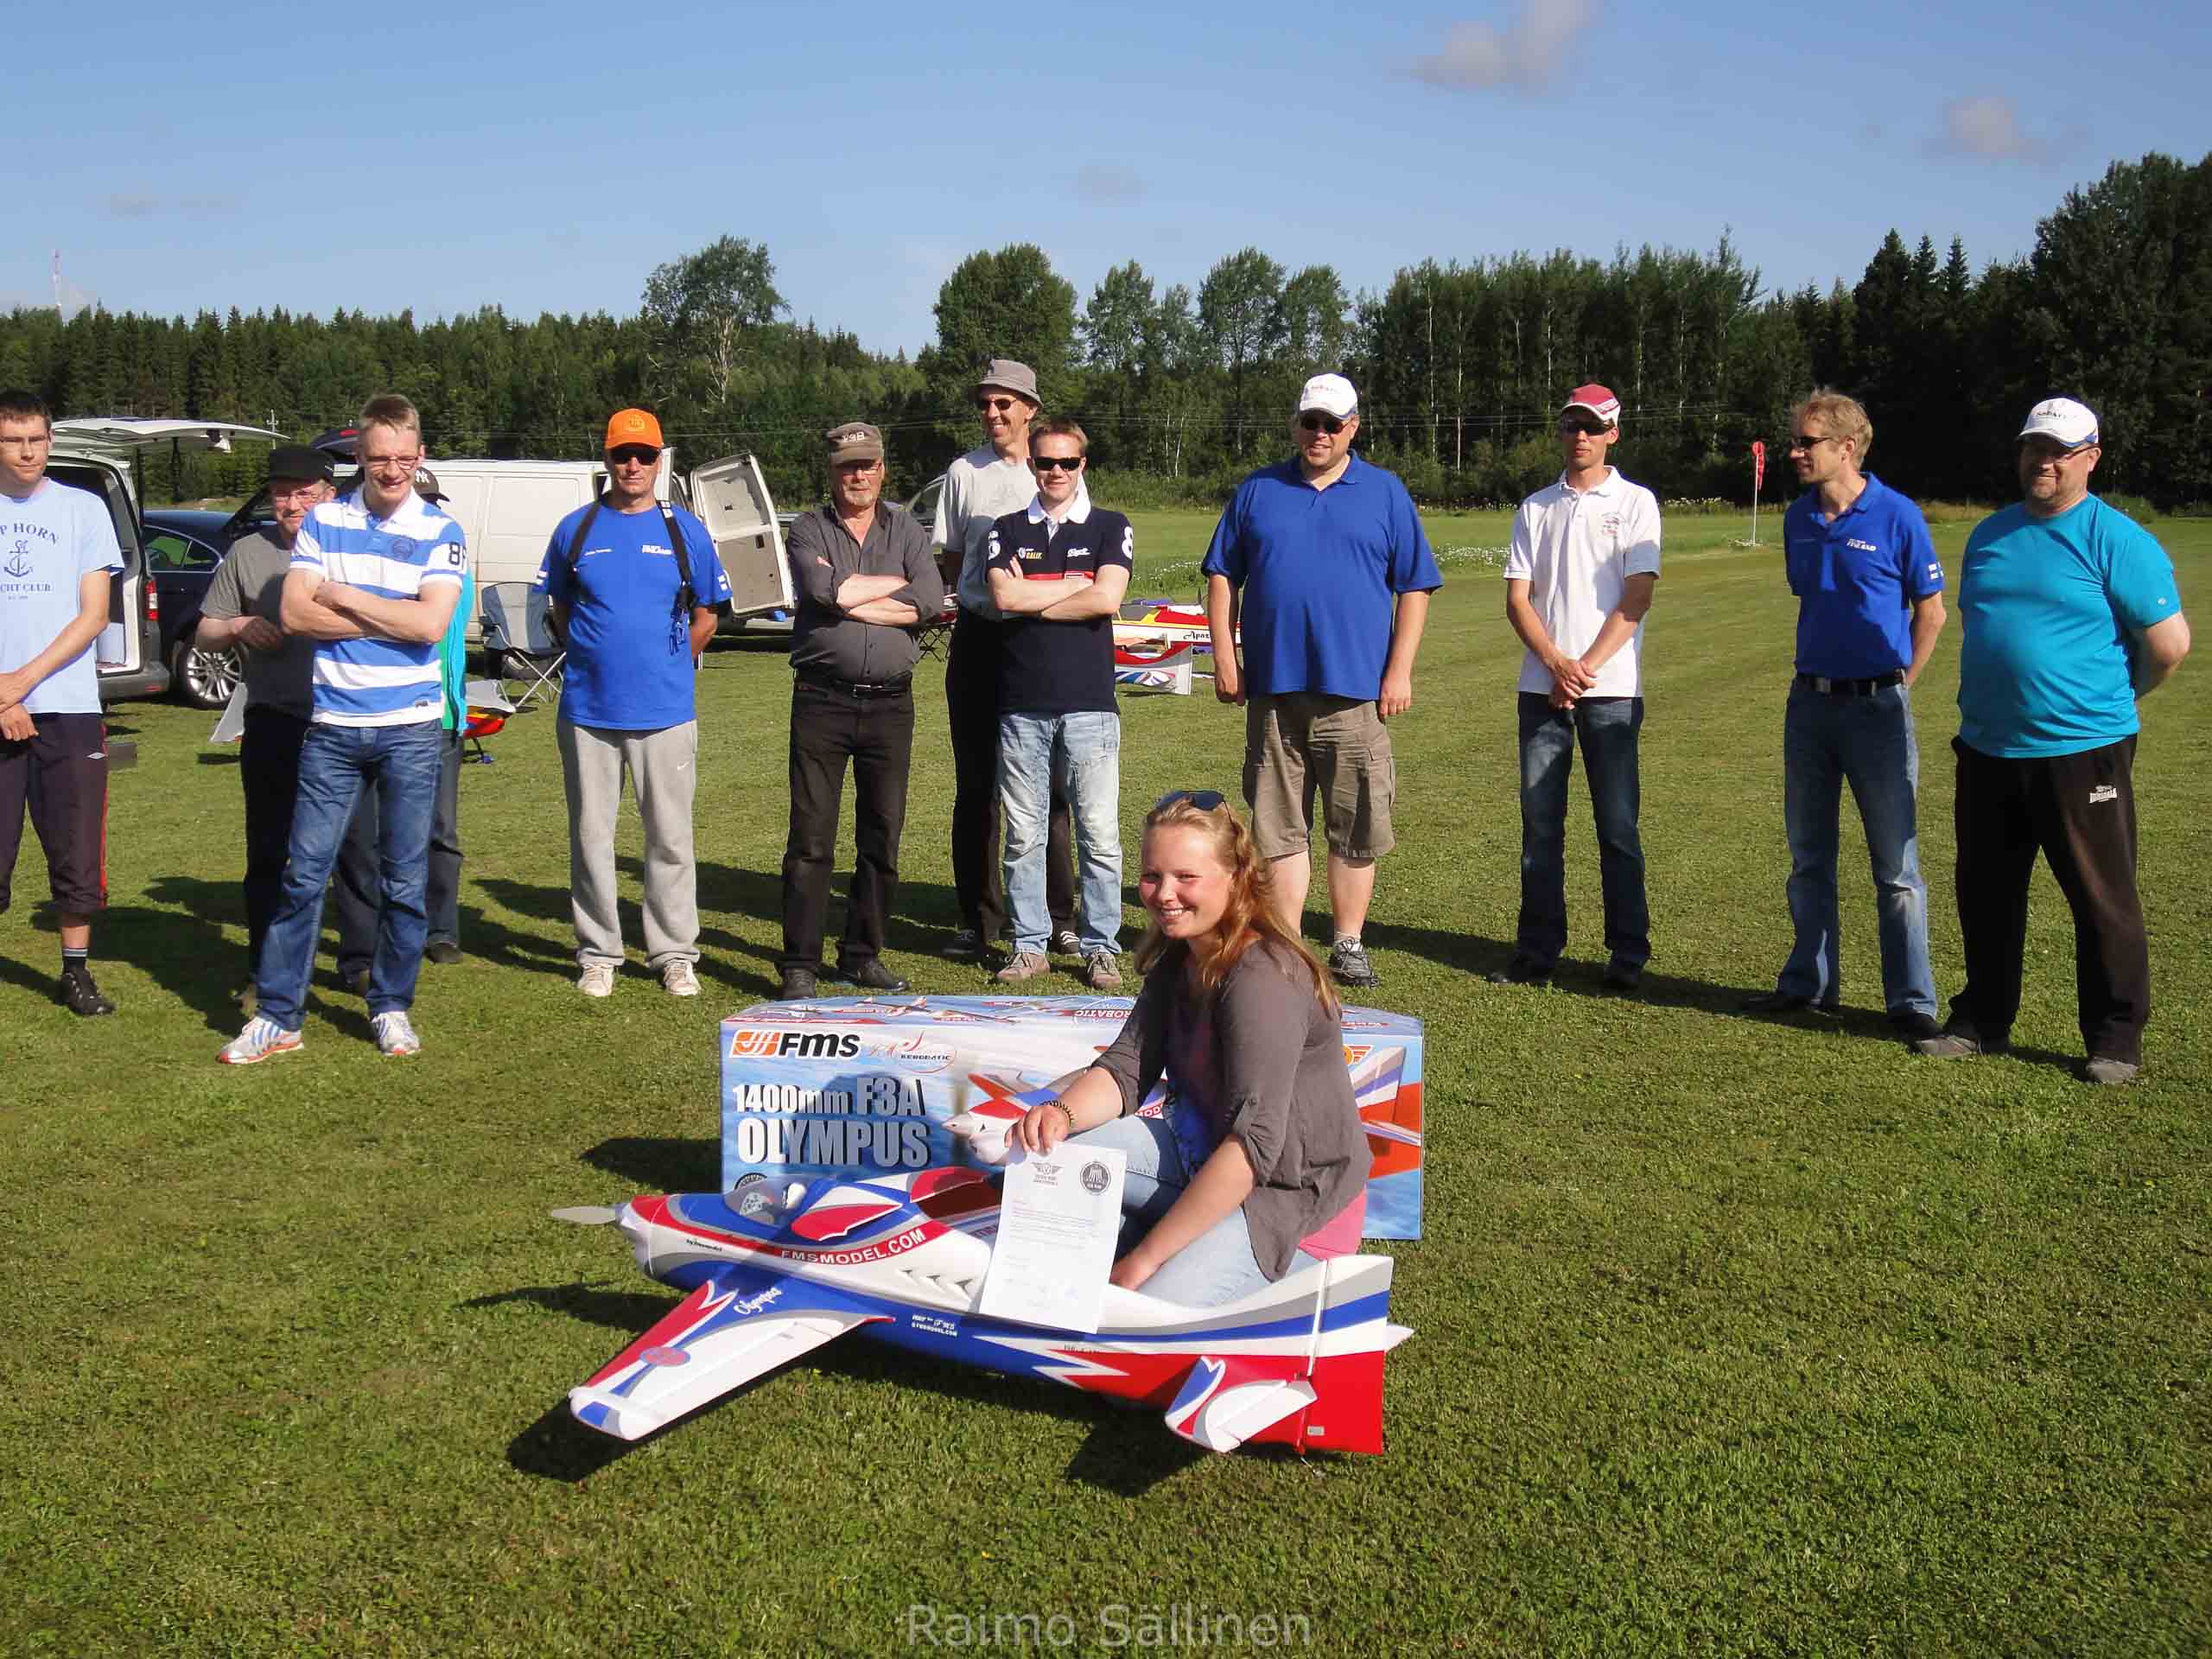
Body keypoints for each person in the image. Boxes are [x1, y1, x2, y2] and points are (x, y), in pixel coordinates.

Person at [1915, 397, 2190, 1084]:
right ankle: (1982, 1021)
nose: (2044, 461)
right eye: (2034, 448)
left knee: (2101, 897)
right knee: (1986, 893)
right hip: (1988, 748)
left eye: (2060, 452)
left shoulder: (2118, 539)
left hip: (2082, 751)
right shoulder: (1990, 535)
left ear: (2090, 458)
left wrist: (2111, 702)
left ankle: (2115, 1037)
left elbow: (2169, 646)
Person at [1005, 791, 1369, 1306]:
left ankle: (1148, 1243)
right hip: (1204, 1156)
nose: (1164, 894)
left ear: (1236, 878)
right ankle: (1132, 1235)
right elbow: (1128, 1065)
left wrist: (1145, 1260)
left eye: (1186, 877)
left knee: (1136, 1318)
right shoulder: (1182, 954)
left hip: (1288, 1201)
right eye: (1152, 876)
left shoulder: (1263, 977)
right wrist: (1058, 1114)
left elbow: (1254, 1146)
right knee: (1043, 1155)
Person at [219, 394, 466, 1063]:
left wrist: (346, 596)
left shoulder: (442, 529)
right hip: (332, 727)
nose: (392, 470)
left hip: (410, 728)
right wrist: (391, 613)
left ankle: (391, 1007)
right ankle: (279, 1017)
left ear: (420, 455)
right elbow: (295, 615)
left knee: (403, 881)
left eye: (404, 458)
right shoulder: (324, 521)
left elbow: (430, 625)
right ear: (359, 456)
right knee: (303, 876)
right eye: (379, 458)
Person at [1201, 372, 1442, 989]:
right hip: (1274, 691)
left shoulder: (1385, 493)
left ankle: (1348, 942)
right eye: (1310, 422)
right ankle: (1286, 948)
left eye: (1332, 424)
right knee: (1278, 826)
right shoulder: (1259, 490)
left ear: (1353, 427)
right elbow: (1223, 575)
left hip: (1355, 691)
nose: (1320, 433)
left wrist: (1399, 670)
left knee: (1355, 824)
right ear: (1296, 424)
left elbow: (1415, 586)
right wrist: (1225, 656)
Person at [1742, 390, 1946, 1040]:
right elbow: (1811, 595)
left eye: (1807, 442)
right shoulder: (1798, 519)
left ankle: (1911, 1001)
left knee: (1896, 867)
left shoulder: (1898, 515)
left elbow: (1932, 612)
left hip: (1877, 708)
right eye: (1794, 442)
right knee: (1808, 857)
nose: (1794, 453)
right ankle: (1809, 984)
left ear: (1848, 447)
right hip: (1809, 705)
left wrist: (1899, 685)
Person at [539, 408, 729, 998]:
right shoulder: (575, 529)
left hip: (666, 713)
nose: (633, 465)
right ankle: (599, 954)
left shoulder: (685, 531)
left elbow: (708, 614)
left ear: (658, 461)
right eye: (623, 454)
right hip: (588, 712)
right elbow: (560, 609)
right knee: (591, 838)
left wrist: (667, 665)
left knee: (670, 839)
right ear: (607, 458)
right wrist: (594, 655)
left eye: (644, 455)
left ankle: (674, 954)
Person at [1492, 385, 1661, 990]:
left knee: (1617, 828)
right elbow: (1518, 598)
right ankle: (1538, 952)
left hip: (1611, 691)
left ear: (1613, 433)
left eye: (1591, 427)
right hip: (1541, 690)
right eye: (1571, 426)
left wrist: (1581, 668)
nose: (1580, 436)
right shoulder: (1536, 507)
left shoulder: (1637, 502)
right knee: (1541, 828)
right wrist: (1555, 664)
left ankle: (1627, 954)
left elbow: (1637, 596)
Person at [777, 421, 943, 1001]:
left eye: (867, 465)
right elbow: (825, 592)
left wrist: (853, 597)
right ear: (833, 471)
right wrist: (889, 588)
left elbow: (929, 600)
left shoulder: (907, 529)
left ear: (882, 470)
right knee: (811, 838)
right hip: (822, 700)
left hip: (890, 706)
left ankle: (861, 955)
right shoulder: (808, 528)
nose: (858, 475)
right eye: (848, 466)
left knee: (882, 835)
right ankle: (800, 961)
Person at [932, 358, 1078, 964]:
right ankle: (979, 919)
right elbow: (951, 558)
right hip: (977, 638)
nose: (992, 414)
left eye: (1004, 403)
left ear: (1030, 409)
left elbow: (1079, 554)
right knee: (977, 789)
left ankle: (1060, 917)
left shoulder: (1056, 466)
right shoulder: (963, 472)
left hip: (1040, 640)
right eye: (985, 404)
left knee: (1050, 786)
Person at [985, 417, 1134, 988]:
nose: (1056, 472)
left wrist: (1035, 595)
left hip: (1090, 705)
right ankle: (1029, 946)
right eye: (1046, 461)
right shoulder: (1004, 528)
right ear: (1032, 464)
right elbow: (1003, 596)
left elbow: (1108, 598)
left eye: (1067, 462)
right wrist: (1075, 586)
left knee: (1099, 835)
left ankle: (1101, 948)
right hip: (1022, 704)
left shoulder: (1110, 525)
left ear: (1082, 465)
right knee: (1024, 834)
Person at [193, 444, 336, 1013]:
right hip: (274, 719)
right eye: (281, 493)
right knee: (269, 853)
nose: (292, 504)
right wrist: (240, 624)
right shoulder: (248, 552)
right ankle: (263, 969)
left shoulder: (349, 546)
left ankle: (359, 964)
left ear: (328, 495)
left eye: (304, 493)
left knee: (357, 854)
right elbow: (205, 631)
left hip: (343, 720)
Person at [0, 388, 124, 1016]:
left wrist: (20, 682)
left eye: (37, 439)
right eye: (12, 440)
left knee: (76, 849)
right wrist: (2, 696)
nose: (27, 452)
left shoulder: (84, 509)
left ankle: (76, 971)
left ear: (51, 440)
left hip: (67, 708)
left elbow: (94, 614)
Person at [330, 466, 474, 988]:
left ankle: (441, 929)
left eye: (434, 501)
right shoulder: (379, 563)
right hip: (389, 712)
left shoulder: (453, 560)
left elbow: (450, 633)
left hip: (443, 715)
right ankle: (372, 940)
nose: (428, 509)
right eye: (422, 499)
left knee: (440, 831)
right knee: (370, 834)